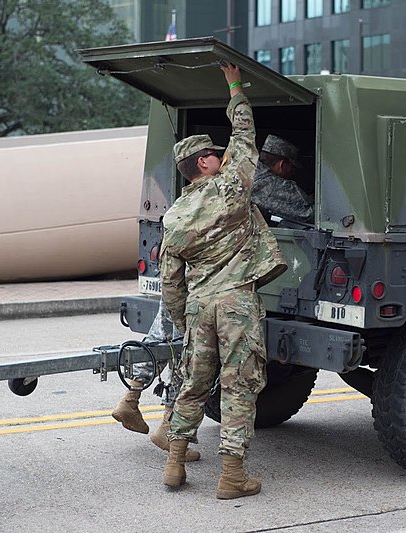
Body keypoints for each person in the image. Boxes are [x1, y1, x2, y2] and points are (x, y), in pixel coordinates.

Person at [159, 62, 287, 499]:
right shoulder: (230, 186)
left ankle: (175, 462)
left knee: (194, 382)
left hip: (198, 305)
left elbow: (170, 282)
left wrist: (182, 320)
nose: (222, 155)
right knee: (239, 384)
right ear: (203, 162)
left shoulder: (173, 215)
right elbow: (246, 136)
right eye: (215, 153)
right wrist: (234, 86)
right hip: (235, 302)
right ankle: (232, 475)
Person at [110, 298, 201, 462]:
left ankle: (130, 398)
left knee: (163, 339)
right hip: (195, 288)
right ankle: (167, 427)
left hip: (172, 283)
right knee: (183, 350)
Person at [251, 134, 313, 223]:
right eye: (292, 168)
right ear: (282, 165)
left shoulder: (247, 169)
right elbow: (309, 214)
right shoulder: (271, 184)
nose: (292, 173)